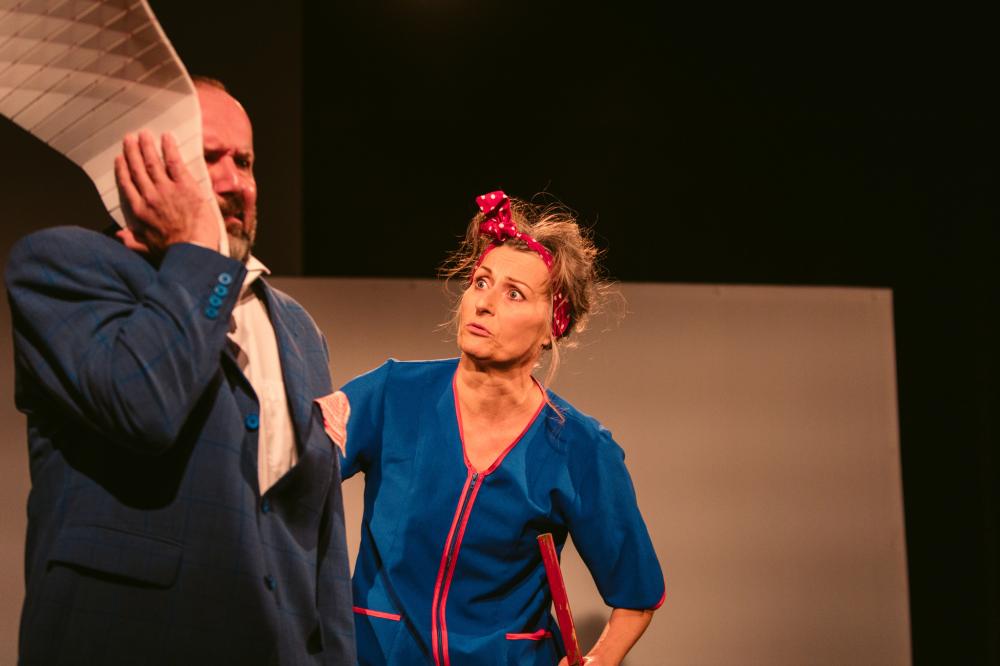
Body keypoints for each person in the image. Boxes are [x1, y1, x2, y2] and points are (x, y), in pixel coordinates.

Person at [5, 77, 355, 664]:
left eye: (244, 161)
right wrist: (198, 253)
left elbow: (319, 532)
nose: (234, 182)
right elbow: (144, 408)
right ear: (143, 169)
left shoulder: (299, 329)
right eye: (206, 157)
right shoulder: (63, 267)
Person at [331, 191, 664, 665]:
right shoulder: (391, 394)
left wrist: (600, 659)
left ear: (552, 326)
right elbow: (295, 467)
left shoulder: (579, 447)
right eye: (481, 282)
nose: (484, 303)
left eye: (514, 293)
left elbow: (636, 594)